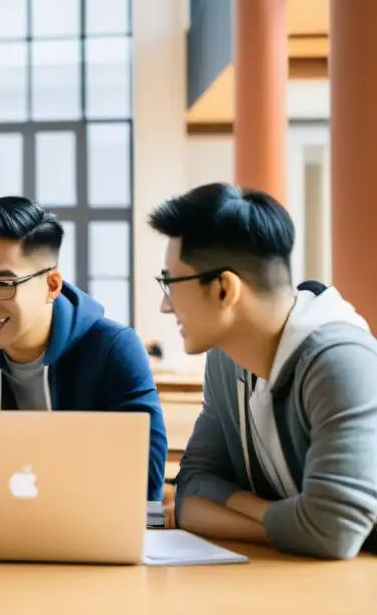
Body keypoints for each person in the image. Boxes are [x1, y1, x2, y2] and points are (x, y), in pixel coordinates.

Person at [149, 182, 377, 559]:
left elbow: (333, 530)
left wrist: (229, 511)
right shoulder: (225, 358)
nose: (164, 306)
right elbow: (192, 486)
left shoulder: (341, 361)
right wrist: (292, 519)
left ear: (224, 289)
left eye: (171, 284)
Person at [0, 196, 167, 501]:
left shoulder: (114, 348)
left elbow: (145, 486)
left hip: (88, 535)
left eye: (4, 284)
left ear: (51, 285)